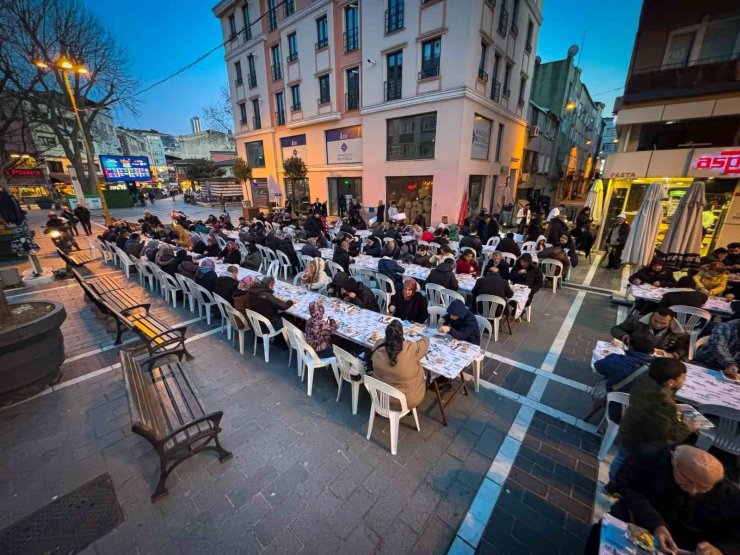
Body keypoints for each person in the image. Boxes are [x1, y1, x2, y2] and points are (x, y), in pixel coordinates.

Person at [586, 445, 740, 555]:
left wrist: (720, 549)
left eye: (703, 487)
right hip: (639, 523)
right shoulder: (652, 457)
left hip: (687, 545)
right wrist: (656, 524)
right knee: (600, 537)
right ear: (673, 462)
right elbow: (626, 486)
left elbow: (736, 537)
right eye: (685, 480)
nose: (693, 490)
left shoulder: (730, 495)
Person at [611, 358, 697, 480]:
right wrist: (687, 428)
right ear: (671, 382)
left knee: (621, 457)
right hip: (642, 440)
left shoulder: (646, 379)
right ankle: (614, 485)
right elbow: (664, 432)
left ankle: (613, 482)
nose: (685, 381)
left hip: (629, 428)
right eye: (683, 377)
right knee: (627, 464)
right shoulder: (664, 401)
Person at [371, 320, 429, 410]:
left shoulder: (379, 345)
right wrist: (422, 335)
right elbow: (426, 341)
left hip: (379, 396)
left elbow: (379, 343)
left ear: (386, 334)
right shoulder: (411, 348)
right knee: (423, 372)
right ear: (402, 334)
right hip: (406, 401)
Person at [612, 306, 689, 360]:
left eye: (663, 323)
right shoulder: (636, 320)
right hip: (634, 353)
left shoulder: (679, 332)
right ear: (652, 316)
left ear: (671, 321)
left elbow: (684, 349)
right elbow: (616, 329)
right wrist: (625, 337)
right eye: (656, 321)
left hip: (659, 360)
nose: (658, 325)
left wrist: (673, 355)